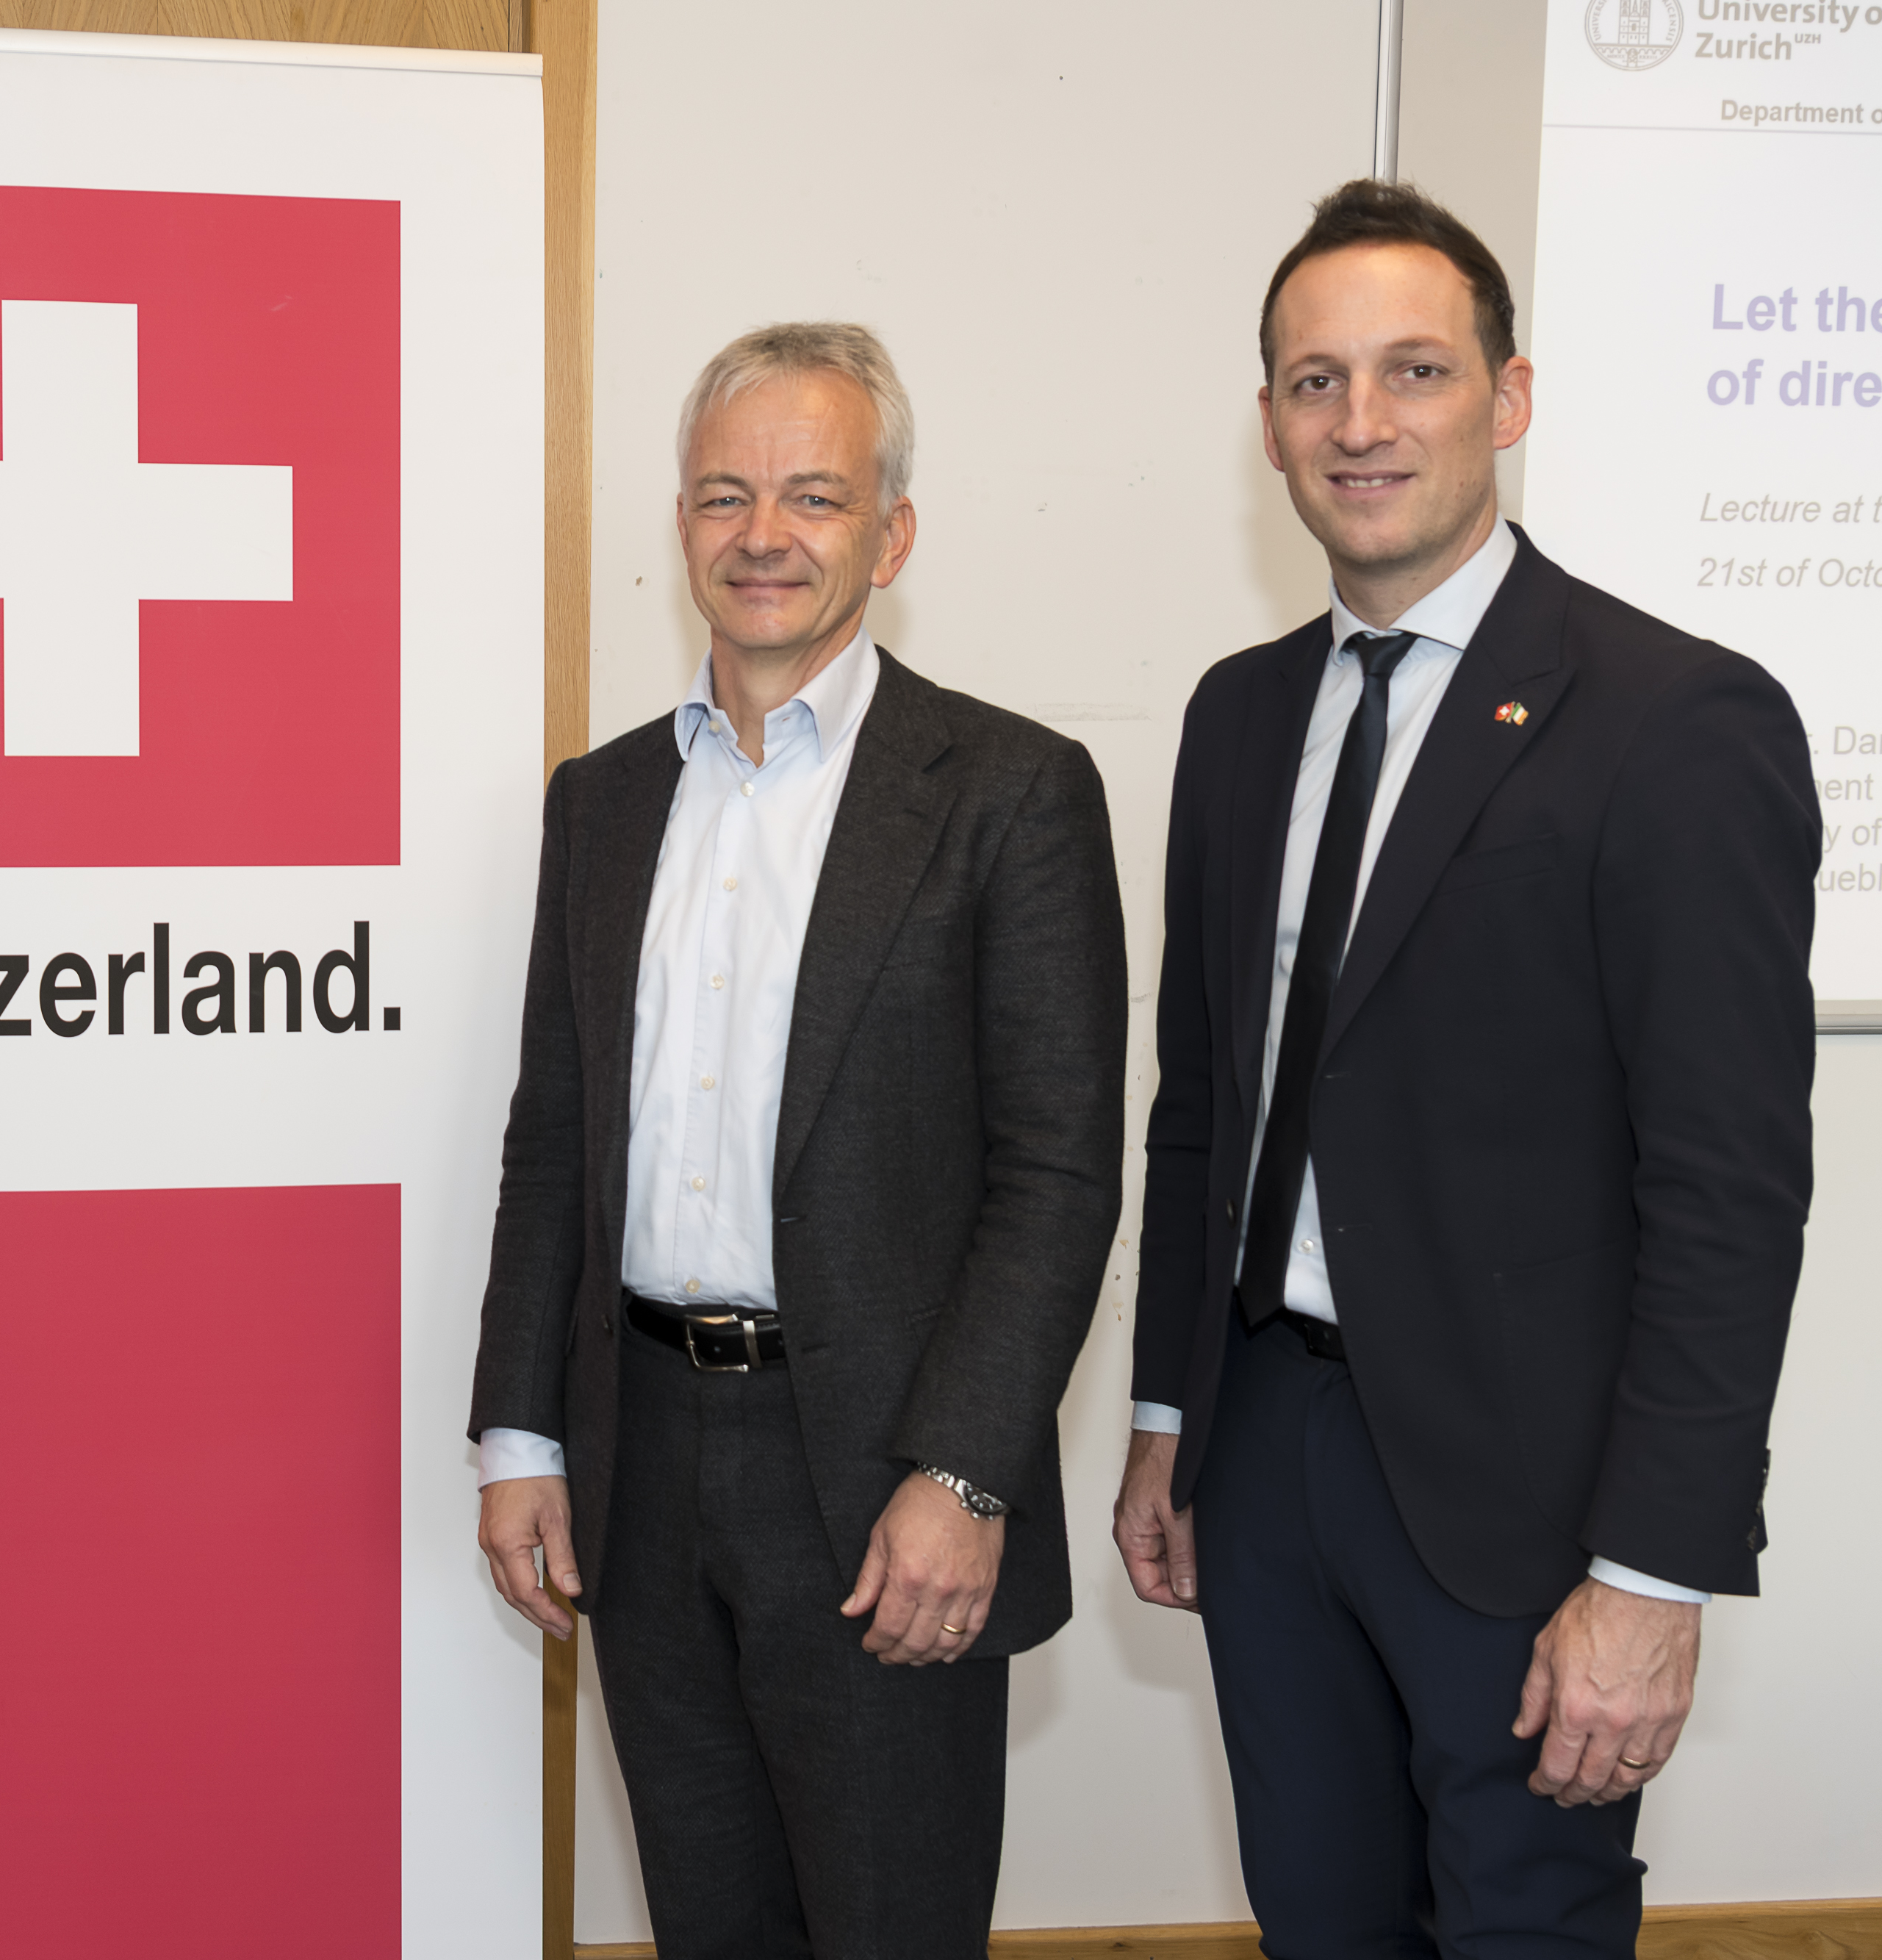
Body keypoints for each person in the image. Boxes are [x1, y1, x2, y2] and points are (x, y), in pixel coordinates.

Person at [1115, 179, 1816, 1950]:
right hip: (1263, 1451)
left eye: (1412, 370)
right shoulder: (1235, 714)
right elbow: (1200, 1105)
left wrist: (1649, 1572)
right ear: (1267, 422)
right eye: (1314, 380)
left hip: (1526, 1497)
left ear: (1505, 397)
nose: (1360, 420)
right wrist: (1166, 1416)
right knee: (1316, 1919)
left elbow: (1724, 1190)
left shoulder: (1673, 720)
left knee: (1520, 1925)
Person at [467, 322, 1127, 1959]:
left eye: (814, 495)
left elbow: (1057, 1175)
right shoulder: (601, 801)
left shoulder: (1008, 792)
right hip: (637, 1460)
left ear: (889, 535)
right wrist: (520, 1437)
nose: (763, 533)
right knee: (708, 1925)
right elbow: (553, 1141)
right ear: (682, 523)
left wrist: (962, 1470)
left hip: (882, 1477)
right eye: (724, 493)